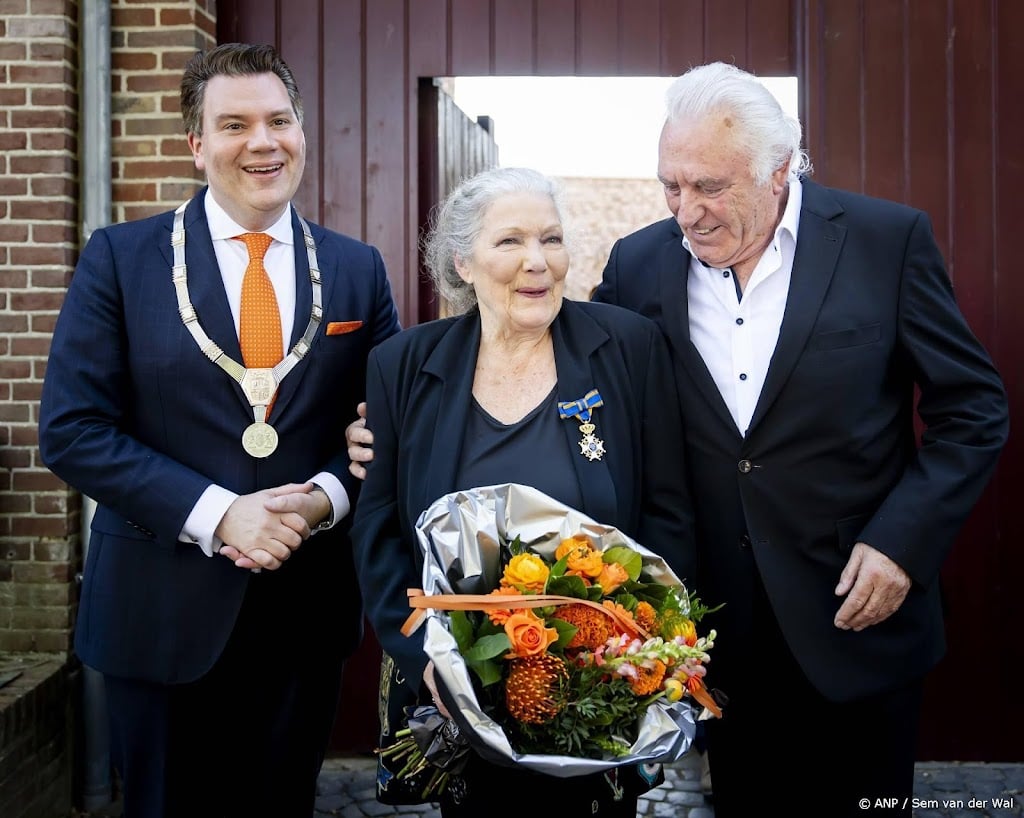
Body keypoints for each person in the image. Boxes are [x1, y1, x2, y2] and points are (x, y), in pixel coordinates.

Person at [591, 62, 1009, 817]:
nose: (687, 212)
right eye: (671, 186)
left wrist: (903, 545)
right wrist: (409, 414)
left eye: (711, 188)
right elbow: (580, 390)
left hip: (858, 613)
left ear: (781, 169)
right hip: (717, 629)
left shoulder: (887, 240)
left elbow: (972, 408)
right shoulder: (637, 263)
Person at [38, 42, 400, 817]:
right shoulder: (120, 259)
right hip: (159, 614)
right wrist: (219, 512)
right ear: (196, 144)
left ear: (301, 130)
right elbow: (72, 429)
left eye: (279, 120)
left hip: (302, 611)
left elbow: (382, 432)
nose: (263, 142)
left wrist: (319, 501)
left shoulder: (357, 270)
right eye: (234, 124)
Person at [349, 166, 696, 817]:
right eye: (510, 242)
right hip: (460, 694)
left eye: (552, 239)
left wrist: (643, 643)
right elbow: (378, 535)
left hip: (597, 692)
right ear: (464, 260)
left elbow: (668, 514)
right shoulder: (402, 366)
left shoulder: (628, 348)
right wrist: (431, 657)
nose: (537, 262)